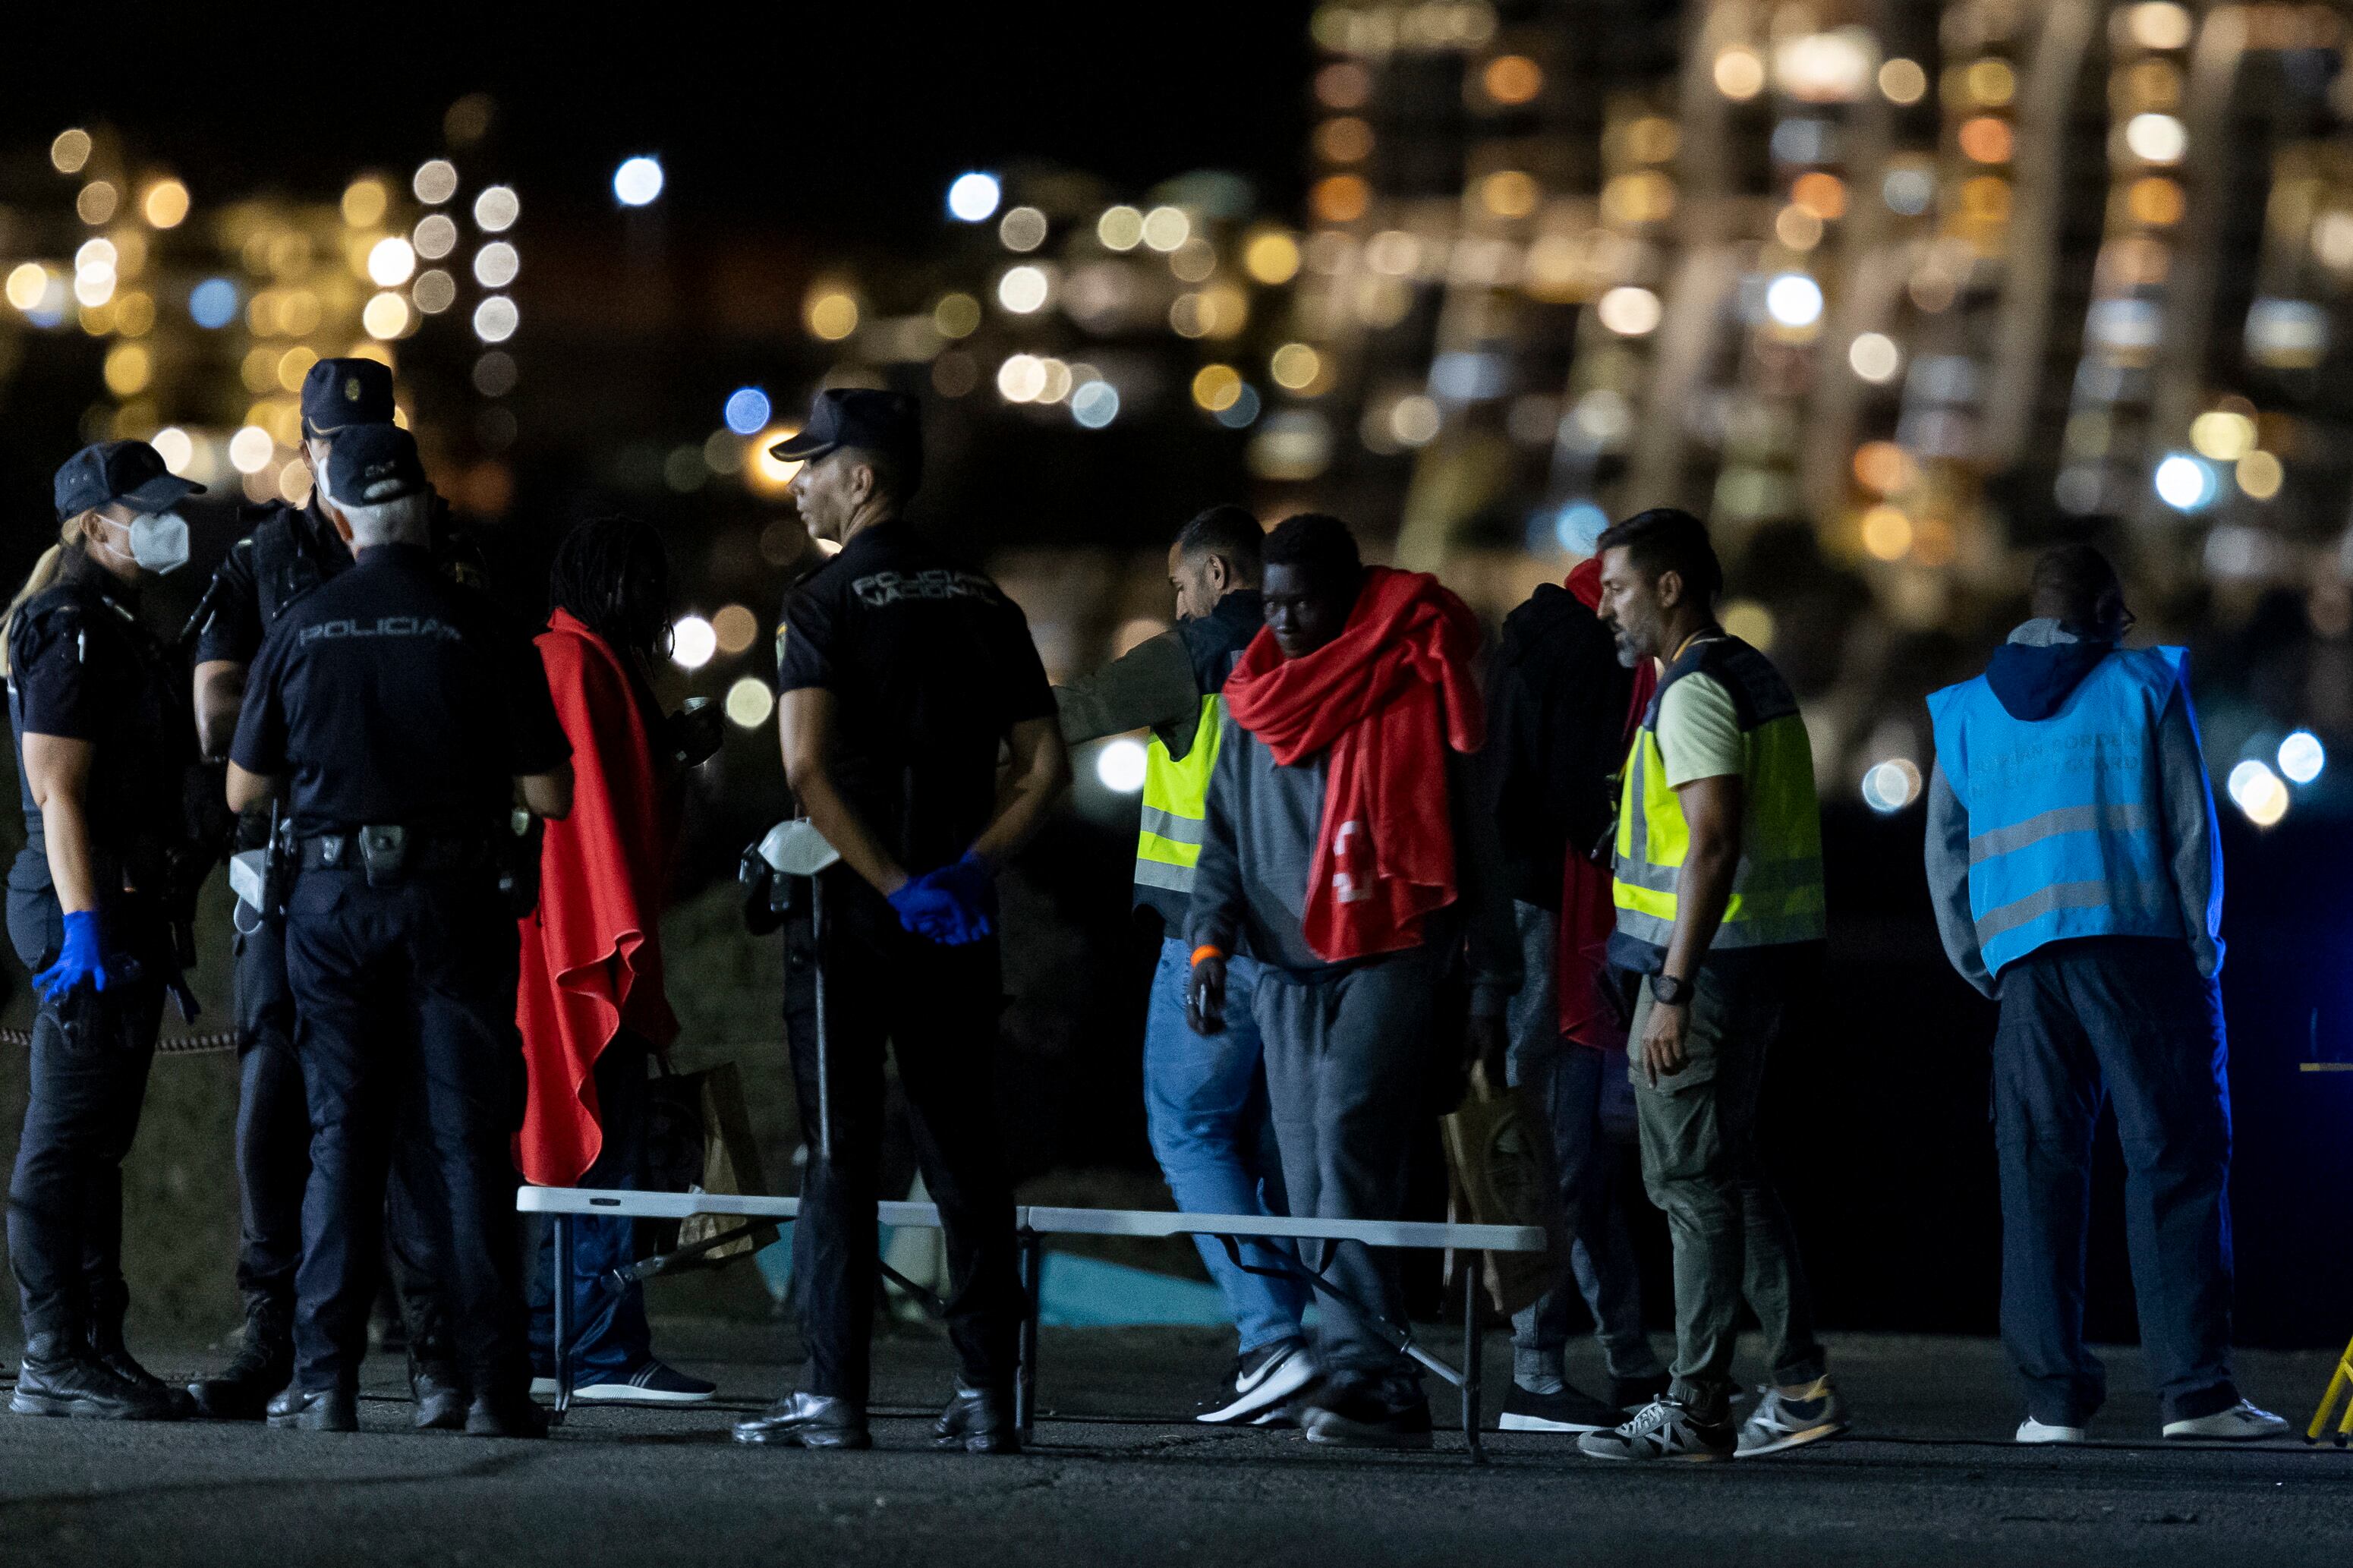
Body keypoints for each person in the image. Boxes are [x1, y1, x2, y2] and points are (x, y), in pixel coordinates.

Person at [731, 389, 1069, 1455]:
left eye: (814, 463)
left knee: (840, 1150)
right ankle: (988, 1395)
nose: (800, 481)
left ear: (861, 477)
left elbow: (804, 766)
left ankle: (835, 1396)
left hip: (851, 918)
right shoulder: (986, 599)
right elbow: (1044, 767)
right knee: (965, 1148)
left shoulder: (823, 600)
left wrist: (888, 883)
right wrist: (967, 871)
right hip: (958, 922)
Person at [225, 424, 572, 1436]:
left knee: (341, 1142)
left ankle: (325, 1383)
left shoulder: (303, 623)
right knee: (468, 1147)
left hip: (331, 907)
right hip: (453, 902)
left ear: (339, 517)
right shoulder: (481, 625)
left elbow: (246, 784)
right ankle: (492, 1389)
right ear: (423, 506)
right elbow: (550, 791)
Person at [1924, 544, 2286, 1444]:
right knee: (2175, 1157)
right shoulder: (2141, 685)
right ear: (2102, 609)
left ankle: (2051, 1404)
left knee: (2038, 1168)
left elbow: (1946, 853)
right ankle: (2194, 1393)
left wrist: (1982, 960)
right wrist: (2203, 944)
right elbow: (2187, 826)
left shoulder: (1966, 710)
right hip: (2139, 950)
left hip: (2024, 966)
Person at [1186, 513, 1517, 1450]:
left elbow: (1473, 840)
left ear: (1345, 598)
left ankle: (1366, 1369)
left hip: (1390, 950)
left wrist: (1491, 984)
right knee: (1305, 1173)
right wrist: (1209, 944)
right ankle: (1366, 1374)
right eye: (1272, 601)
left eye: (1303, 603)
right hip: (1283, 968)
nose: (1282, 620)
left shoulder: (1411, 676)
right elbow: (1220, 836)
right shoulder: (1254, 690)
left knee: (1349, 1138)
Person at [185, 359, 474, 1424]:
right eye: (328, 438)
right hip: (290, 864)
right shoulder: (266, 556)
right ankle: (281, 1333)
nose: (342, 456)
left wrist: (313, 685)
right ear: (303, 443)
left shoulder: (445, 543)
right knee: (278, 1097)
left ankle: (433, 1341)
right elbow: (216, 718)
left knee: (416, 1112)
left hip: (424, 865)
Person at [1577, 507, 1843, 1463]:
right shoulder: (1749, 673)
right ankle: (1799, 1382)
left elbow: (1713, 840)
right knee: (1729, 1169)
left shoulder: (1690, 690)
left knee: (1688, 1183)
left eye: (1614, 587)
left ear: (1668, 587)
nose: (1604, 604)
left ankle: (1695, 1405)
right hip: (1760, 961)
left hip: (1702, 970)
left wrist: (1674, 986)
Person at [1053, 505, 1315, 1424]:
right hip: (1319, 952)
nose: (1176, 598)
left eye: (1177, 582)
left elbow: (1068, 715)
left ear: (1215, 573)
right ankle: (1330, 1344)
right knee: (1293, 1157)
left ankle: (1272, 1338)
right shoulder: (1319, 647)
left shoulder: (1193, 653)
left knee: (1190, 1131)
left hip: (1211, 944)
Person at [4, 439, 206, 1422]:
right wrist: (83, 929)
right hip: (76, 904)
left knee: (97, 1140)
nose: (170, 522)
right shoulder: (69, 624)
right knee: (66, 1139)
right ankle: (53, 1353)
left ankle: (93, 1343)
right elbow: (59, 794)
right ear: (97, 525)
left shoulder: (119, 621)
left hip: (118, 905)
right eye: (149, 508)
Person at [516, 517, 722, 1406]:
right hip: (580, 947)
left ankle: (552, 1340)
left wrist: (672, 750)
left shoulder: (579, 661)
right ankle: (596, 1348)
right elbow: (593, 826)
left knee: (575, 1148)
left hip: (566, 943)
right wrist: (615, 947)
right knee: (600, 1147)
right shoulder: (577, 666)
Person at [1485, 556, 1668, 1432]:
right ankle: (1538, 1372)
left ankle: (1628, 1357)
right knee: (1557, 1147)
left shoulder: (1525, 641)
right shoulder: (1596, 657)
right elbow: (1583, 793)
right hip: (1556, 917)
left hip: (1511, 911)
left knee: (1562, 1148)